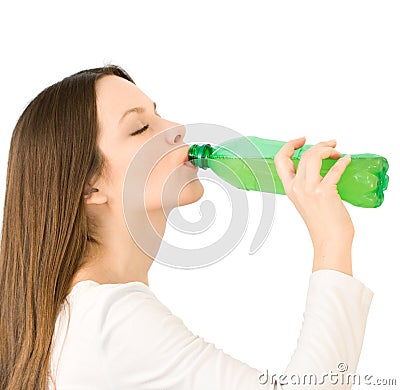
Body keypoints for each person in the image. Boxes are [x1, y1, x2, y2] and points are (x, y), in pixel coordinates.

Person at [0, 65, 373, 389]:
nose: (176, 129)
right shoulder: (111, 318)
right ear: (89, 187)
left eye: (159, 115)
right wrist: (332, 238)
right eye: (141, 127)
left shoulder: (81, 314)